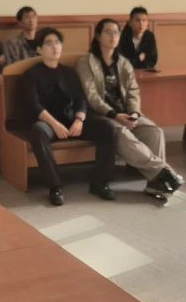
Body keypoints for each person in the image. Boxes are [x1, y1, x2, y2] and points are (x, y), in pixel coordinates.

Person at [77, 19, 183, 201]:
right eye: (108, 32)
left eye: (116, 32)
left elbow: (133, 91)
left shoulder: (124, 63)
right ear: (98, 36)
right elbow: (92, 96)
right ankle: (164, 172)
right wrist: (115, 115)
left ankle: (154, 183)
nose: (113, 36)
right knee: (122, 134)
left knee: (154, 131)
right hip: (103, 115)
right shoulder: (86, 62)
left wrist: (134, 113)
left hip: (125, 113)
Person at [24, 27, 117, 206]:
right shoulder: (31, 75)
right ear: (39, 49)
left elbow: (81, 99)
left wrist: (79, 119)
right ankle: (55, 186)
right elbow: (34, 106)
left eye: (58, 42)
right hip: (48, 123)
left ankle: (100, 182)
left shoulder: (69, 72)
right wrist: (55, 124)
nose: (55, 47)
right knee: (38, 131)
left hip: (72, 120)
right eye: (49, 43)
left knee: (108, 127)